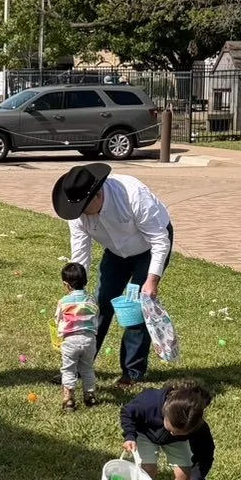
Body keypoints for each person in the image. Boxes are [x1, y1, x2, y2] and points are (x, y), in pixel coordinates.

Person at [52, 162, 173, 391]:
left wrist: (151, 280)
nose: (81, 215)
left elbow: (160, 240)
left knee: (135, 309)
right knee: (98, 304)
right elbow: (80, 252)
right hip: (116, 252)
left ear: (98, 194)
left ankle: (131, 373)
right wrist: (77, 291)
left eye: (85, 208)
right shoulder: (77, 210)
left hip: (149, 247)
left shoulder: (133, 195)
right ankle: (80, 366)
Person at [119, 379, 215, 480]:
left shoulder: (197, 427)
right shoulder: (150, 402)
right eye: (171, 429)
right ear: (165, 411)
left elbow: (205, 456)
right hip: (145, 432)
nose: (173, 433)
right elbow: (127, 412)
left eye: (180, 432)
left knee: (184, 472)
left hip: (176, 443)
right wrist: (129, 436)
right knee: (147, 469)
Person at [55, 260, 99, 409]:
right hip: (89, 340)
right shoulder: (92, 300)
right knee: (87, 368)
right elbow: (95, 317)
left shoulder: (63, 302)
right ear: (85, 281)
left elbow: (58, 319)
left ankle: (68, 398)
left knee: (68, 369)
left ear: (66, 284)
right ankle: (90, 395)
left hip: (70, 341)